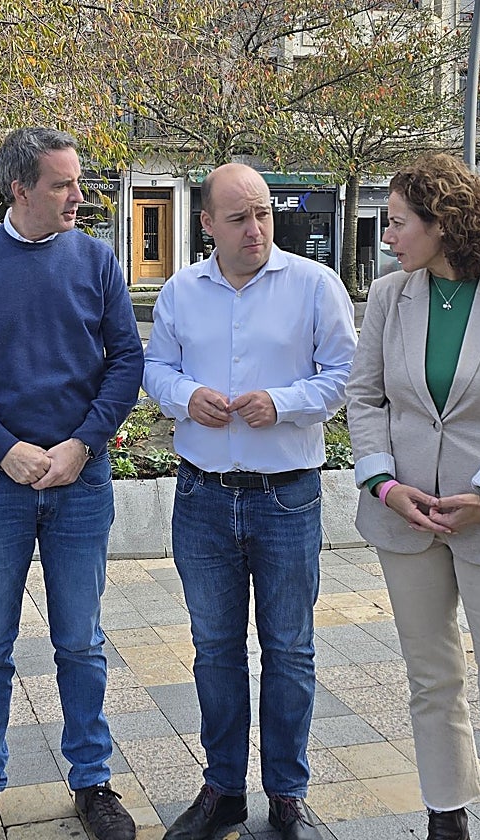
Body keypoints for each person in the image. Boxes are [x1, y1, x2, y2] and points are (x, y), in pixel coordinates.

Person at [0, 128, 144, 840]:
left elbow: (125, 362)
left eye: (79, 183)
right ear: (19, 189)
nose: (79, 196)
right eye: (62, 185)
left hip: (80, 483)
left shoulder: (97, 261)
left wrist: (83, 445)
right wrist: (3, 448)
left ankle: (93, 782)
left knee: (80, 641)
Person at [346, 152, 480, 840]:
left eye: (398, 223)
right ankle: (447, 813)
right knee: (431, 680)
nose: (387, 237)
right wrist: (384, 483)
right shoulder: (389, 296)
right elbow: (365, 396)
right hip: (406, 521)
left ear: (442, 223)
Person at [142, 163, 356, 840]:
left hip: (286, 496)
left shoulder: (315, 285)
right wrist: (183, 397)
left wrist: (284, 404)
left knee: (290, 650)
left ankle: (287, 794)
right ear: (207, 224)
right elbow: (156, 369)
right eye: (238, 218)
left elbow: (345, 375)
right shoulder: (181, 292)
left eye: (262, 213)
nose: (255, 228)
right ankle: (222, 788)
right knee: (214, 650)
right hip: (203, 495)